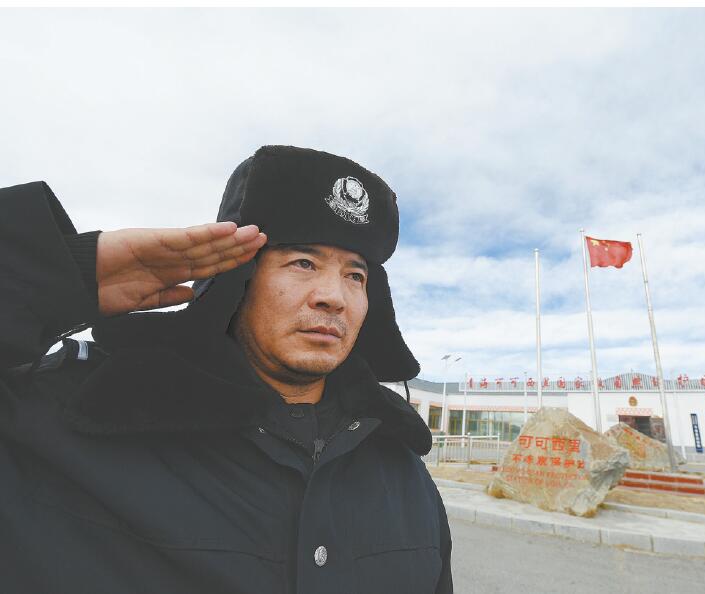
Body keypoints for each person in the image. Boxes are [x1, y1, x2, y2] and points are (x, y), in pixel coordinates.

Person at [0, 145, 452, 594]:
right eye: (303, 263)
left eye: (355, 276)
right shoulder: (76, 417)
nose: (333, 296)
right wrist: (54, 276)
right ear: (237, 277)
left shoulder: (404, 474)